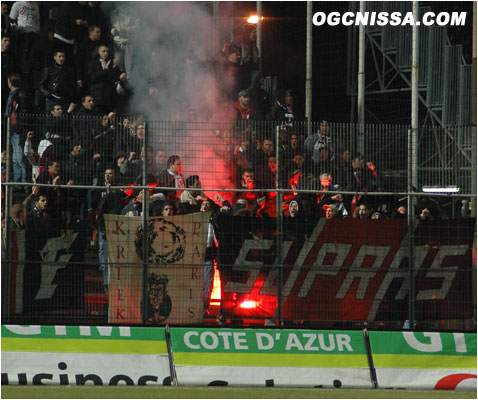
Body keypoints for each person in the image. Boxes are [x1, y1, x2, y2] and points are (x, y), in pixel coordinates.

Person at [86, 45, 127, 114]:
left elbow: (115, 78)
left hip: (109, 97)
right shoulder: (93, 63)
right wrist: (105, 70)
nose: (106, 53)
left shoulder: (112, 63)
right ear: (98, 52)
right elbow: (92, 78)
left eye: (107, 51)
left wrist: (120, 75)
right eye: (103, 51)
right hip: (98, 97)